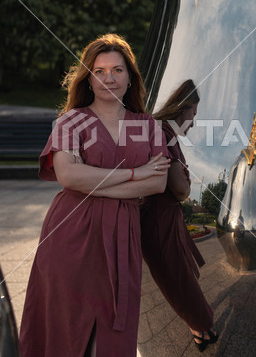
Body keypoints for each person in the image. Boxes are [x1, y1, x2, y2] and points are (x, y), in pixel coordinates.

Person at [19, 33, 170, 357]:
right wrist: (135, 173)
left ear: (130, 78)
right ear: (88, 78)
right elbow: (69, 175)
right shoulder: (71, 121)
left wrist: (96, 181)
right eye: (99, 71)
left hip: (122, 236)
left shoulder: (147, 125)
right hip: (71, 235)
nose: (108, 78)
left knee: (114, 333)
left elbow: (157, 184)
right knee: (66, 329)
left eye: (117, 70)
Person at [140, 80, 218, 353]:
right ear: (182, 109)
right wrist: (183, 180)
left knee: (180, 275)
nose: (194, 123)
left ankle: (200, 325)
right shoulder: (161, 133)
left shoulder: (165, 136)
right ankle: (200, 327)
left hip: (164, 217)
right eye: (194, 114)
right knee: (176, 277)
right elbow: (181, 188)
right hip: (159, 220)